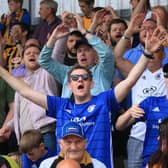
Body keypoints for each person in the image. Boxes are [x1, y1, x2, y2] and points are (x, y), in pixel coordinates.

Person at [0, 27, 165, 167]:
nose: (80, 80)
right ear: (69, 85)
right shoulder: (59, 105)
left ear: (91, 84)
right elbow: (25, 91)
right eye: (75, 78)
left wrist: (147, 53)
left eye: (85, 78)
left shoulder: (103, 100)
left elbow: (129, 81)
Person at [114, 13, 168, 168]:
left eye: (155, 50)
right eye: (147, 51)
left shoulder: (167, 73)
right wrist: (129, 31)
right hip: (137, 133)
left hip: (163, 134)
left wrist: (163, 30)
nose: (150, 54)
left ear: (163, 54)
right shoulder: (135, 72)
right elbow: (117, 58)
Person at [0, 44, 59, 153]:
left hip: (44, 134)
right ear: (22, 60)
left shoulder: (47, 74)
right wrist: (10, 126)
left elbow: (57, 53)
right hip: (25, 139)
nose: (32, 54)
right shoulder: (20, 84)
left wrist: (56, 38)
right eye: (28, 53)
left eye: (36, 53)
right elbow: (23, 113)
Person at [38, 13, 115, 98]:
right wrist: (53, 38)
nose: (82, 54)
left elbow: (107, 54)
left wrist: (83, 30)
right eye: (79, 51)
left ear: (96, 54)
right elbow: (43, 60)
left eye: (86, 50)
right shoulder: (67, 72)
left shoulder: (103, 71)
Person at [115, 62, 168, 168]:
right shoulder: (151, 102)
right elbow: (119, 126)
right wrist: (130, 112)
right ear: (165, 78)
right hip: (150, 162)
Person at [40, 121, 106, 168]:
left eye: (78, 142)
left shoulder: (99, 166)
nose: (73, 147)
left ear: (85, 143)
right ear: (60, 144)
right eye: (68, 142)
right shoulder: (46, 165)